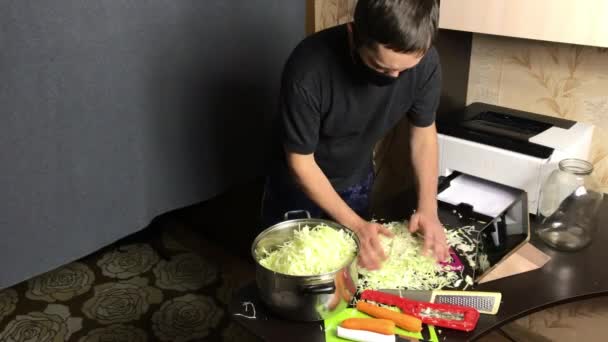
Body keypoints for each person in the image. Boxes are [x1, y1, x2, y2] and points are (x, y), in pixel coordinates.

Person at [262, 0, 449, 270]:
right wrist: (355, 225)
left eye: (406, 69)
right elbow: (301, 163)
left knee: (350, 268)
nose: (395, 77)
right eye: (382, 67)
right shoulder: (308, 68)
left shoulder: (427, 62)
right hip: (296, 182)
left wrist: (428, 209)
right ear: (354, 34)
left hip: (355, 177)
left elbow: (423, 133)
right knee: (289, 266)